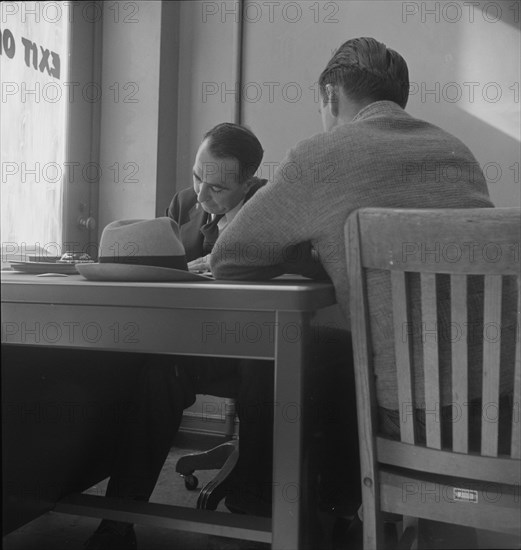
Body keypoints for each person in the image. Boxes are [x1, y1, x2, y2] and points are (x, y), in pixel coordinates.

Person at [210, 37, 517, 546]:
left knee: (320, 360)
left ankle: (308, 512)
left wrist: (319, 251)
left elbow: (229, 257)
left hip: (408, 415)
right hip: (500, 405)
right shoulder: (457, 152)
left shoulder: (321, 155)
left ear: (331, 95)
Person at [85, 123, 274, 550]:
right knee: (155, 374)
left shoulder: (271, 206)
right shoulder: (184, 203)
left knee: (267, 379)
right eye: (196, 177)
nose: (201, 196)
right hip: (193, 342)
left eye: (218, 188)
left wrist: (219, 256)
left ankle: (255, 511)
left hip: (255, 345)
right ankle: (119, 518)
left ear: (248, 182)